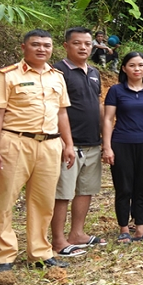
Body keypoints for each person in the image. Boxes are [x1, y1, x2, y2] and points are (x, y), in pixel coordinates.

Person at [0, 29, 75, 274]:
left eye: (46, 45)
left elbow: (62, 113)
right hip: (14, 142)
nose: (41, 49)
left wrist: (68, 144)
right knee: (4, 200)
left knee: (43, 201)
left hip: (49, 145)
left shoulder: (57, 77)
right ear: (24, 47)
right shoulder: (6, 76)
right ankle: (4, 254)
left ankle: (40, 252)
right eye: (35, 45)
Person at [51, 28, 107, 258]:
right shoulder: (57, 71)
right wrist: (66, 141)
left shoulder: (94, 72)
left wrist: (104, 137)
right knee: (63, 193)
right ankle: (58, 240)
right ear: (66, 45)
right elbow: (55, 109)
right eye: (77, 43)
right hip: (69, 143)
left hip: (93, 142)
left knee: (86, 190)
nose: (83, 47)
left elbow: (97, 104)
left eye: (87, 43)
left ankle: (77, 234)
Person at [102, 52, 143, 244]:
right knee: (123, 187)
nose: (137, 69)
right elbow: (107, 119)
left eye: (140, 65)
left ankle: (140, 228)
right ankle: (123, 229)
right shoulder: (116, 90)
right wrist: (107, 147)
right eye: (132, 65)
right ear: (124, 68)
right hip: (121, 143)